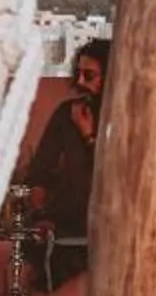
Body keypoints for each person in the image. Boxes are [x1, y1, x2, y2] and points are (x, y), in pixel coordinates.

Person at [18, 37, 106, 280]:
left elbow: (111, 178)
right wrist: (39, 210)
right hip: (66, 216)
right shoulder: (67, 113)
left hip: (107, 220)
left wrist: (88, 135)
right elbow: (41, 170)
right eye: (78, 74)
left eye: (89, 76)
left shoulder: (124, 117)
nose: (80, 82)